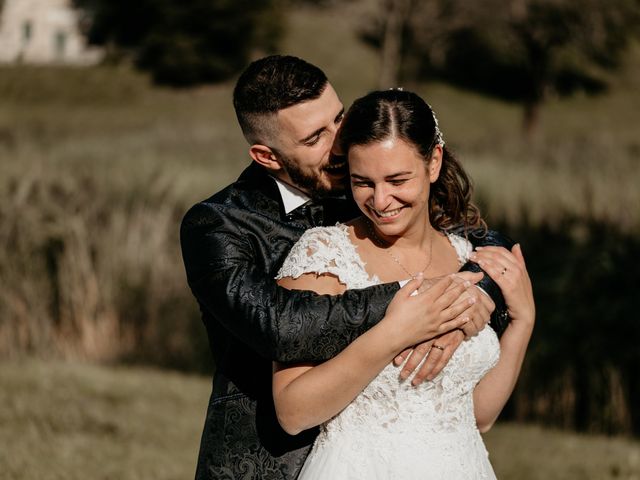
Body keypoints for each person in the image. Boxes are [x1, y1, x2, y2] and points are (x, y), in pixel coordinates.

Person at [180, 56, 507, 480]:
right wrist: (423, 301)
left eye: (339, 118)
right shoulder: (218, 225)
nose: (340, 143)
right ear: (267, 155)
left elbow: (478, 240)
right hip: (267, 462)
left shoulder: (366, 182)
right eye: (316, 136)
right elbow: (280, 325)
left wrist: (477, 293)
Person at [273, 89, 535, 478]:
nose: (380, 200)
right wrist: (395, 332)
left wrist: (523, 321)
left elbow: (478, 416)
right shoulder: (324, 255)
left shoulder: (466, 257)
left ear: (433, 163)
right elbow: (292, 412)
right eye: (363, 182)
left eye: (397, 179)